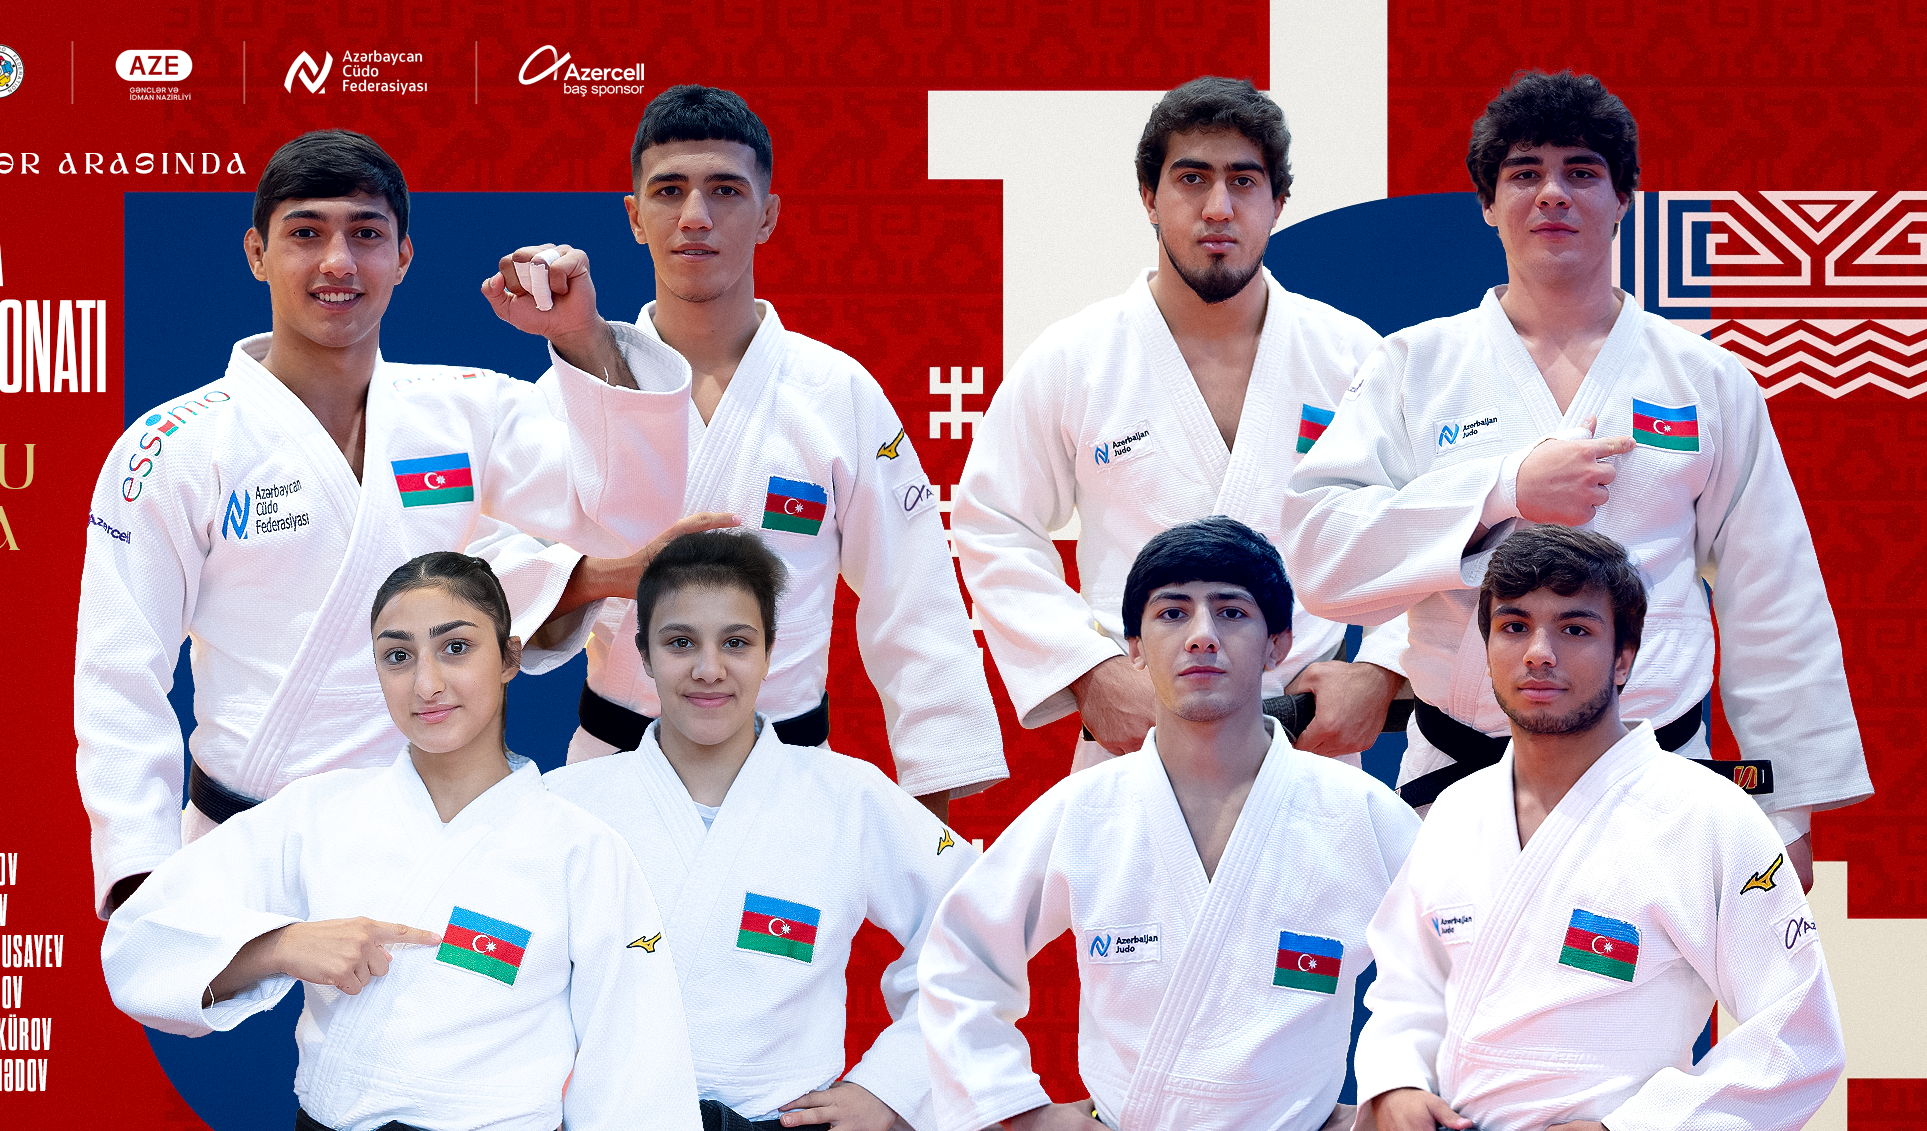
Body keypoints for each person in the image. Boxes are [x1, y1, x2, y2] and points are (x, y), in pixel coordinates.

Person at [77, 127, 707, 917]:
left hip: (440, 852)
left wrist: (581, 335)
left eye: (367, 234)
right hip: (246, 855)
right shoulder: (177, 445)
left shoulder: (466, 409)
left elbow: (627, 515)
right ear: (256, 253)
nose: (338, 262)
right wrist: (140, 873)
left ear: (404, 256)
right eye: (306, 233)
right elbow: (119, 669)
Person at [102, 552, 715, 1131]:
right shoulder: (316, 816)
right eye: (398, 656)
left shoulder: (586, 852)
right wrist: (280, 946)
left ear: (510, 657)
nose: (427, 682)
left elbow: (643, 1091)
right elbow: (137, 943)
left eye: (455, 647)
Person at [1282, 69, 1870, 888]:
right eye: (1525, 173)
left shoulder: (1704, 378)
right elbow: (1319, 555)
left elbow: (1773, 596)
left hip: (1659, 776)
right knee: (1455, 975)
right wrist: (1502, 491)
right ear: (1488, 204)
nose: (1552, 193)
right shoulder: (1414, 366)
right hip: (1464, 779)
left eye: (1581, 172)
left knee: (1650, 975)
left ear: (1623, 197)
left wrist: (1785, 809)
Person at [919, 518, 1420, 1131]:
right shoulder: (1086, 811)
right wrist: (1026, 1116)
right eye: (1172, 613)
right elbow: (955, 960)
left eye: (1232, 612)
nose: (1202, 636)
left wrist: (1381, 1128)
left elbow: (1468, 973)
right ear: (1133, 648)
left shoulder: (1359, 815)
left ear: (1279, 644)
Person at [1350, 526, 1845, 1131]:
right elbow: (1409, 983)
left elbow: (1800, 1029)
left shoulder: (1708, 816)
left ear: (1625, 658)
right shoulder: (1456, 813)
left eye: (1574, 628)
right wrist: (1396, 1084)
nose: (1539, 653)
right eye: (1514, 626)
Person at [488, 85, 1006, 821]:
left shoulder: (837, 393)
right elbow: (489, 582)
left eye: (726, 190)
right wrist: (610, 576)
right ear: (634, 217)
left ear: (768, 215)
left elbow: (914, 597)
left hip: (790, 779)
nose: (695, 216)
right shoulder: (574, 392)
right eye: (669, 191)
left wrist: (931, 831)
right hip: (614, 779)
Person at [543, 530, 980, 1131]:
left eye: (736, 642)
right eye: (681, 642)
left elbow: (975, 933)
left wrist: (888, 1084)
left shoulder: (847, 796)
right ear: (642, 654)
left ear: (772, 652)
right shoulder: (568, 809)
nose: (709, 669)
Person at [952, 75, 1405, 774]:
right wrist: (1089, 671)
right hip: (1135, 734)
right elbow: (992, 520)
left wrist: (1380, 669)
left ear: (1278, 204)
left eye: (1244, 182)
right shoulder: (1077, 358)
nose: (1218, 207)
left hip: (1301, 734)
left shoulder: (1351, 358)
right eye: (1192, 179)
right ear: (1149, 198)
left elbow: (1429, 530)